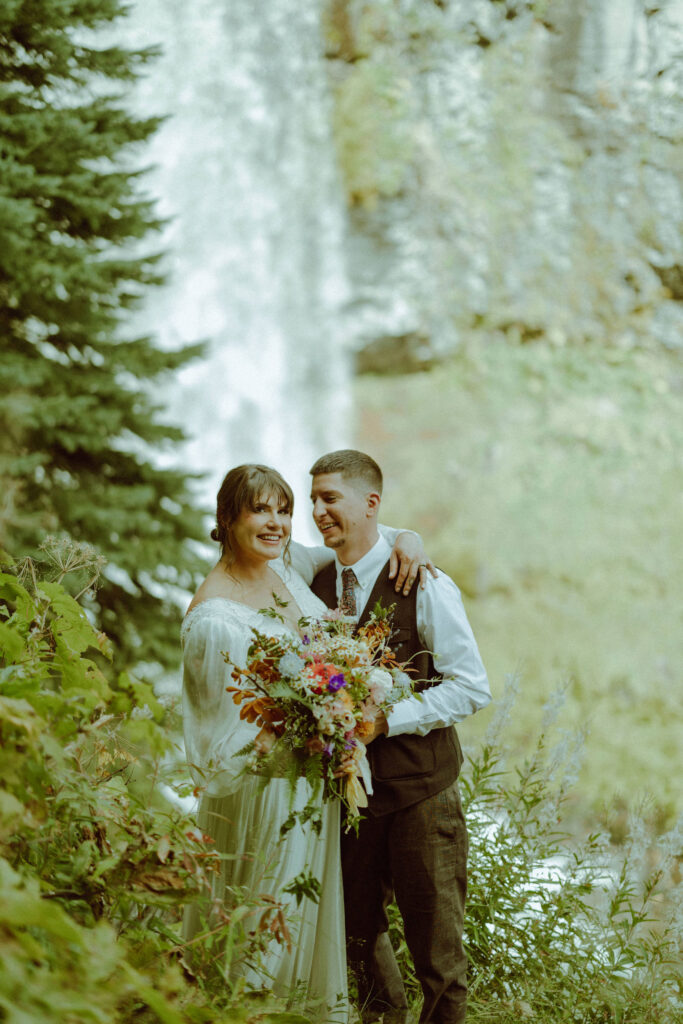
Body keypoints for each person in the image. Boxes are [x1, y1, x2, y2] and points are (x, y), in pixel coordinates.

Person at [180, 463, 432, 1021]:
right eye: (259, 510)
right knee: (262, 933)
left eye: (283, 509)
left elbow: (365, 540)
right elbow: (219, 738)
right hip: (262, 800)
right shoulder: (214, 619)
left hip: (309, 792)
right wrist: (317, 727)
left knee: (301, 928)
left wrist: (406, 538)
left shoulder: (289, 565)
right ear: (227, 518)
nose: (276, 523)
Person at [309, 450, 491, 1024]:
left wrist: (389, 720)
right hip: (351, 800)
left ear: (371, 504)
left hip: (421, 794)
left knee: (439, 961)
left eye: (329, 498)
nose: (317, 511)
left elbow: (472, 687)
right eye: (312, 499)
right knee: (358, 941)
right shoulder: (311, 579)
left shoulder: (425, 582)